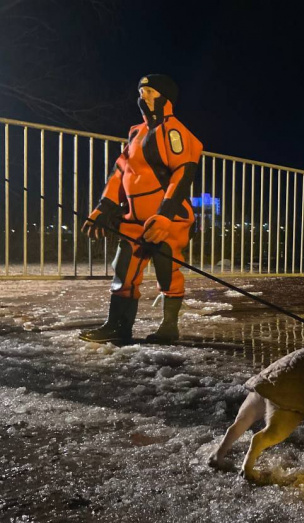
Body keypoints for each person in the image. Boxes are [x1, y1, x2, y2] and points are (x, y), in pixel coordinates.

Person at [79, 74, 203, 344]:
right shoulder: (136, 132)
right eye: (142, 91)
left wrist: (165, 214)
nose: (143, 96)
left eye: (150, 91)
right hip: (133, 220)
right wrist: (103, 209)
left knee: (167, 270)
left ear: (165, 98)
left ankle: (169, 326)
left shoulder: (174, 131)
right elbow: (120, 173)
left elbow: (183, 173)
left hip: (166, 220)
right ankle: (117, 327)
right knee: (124, 271)